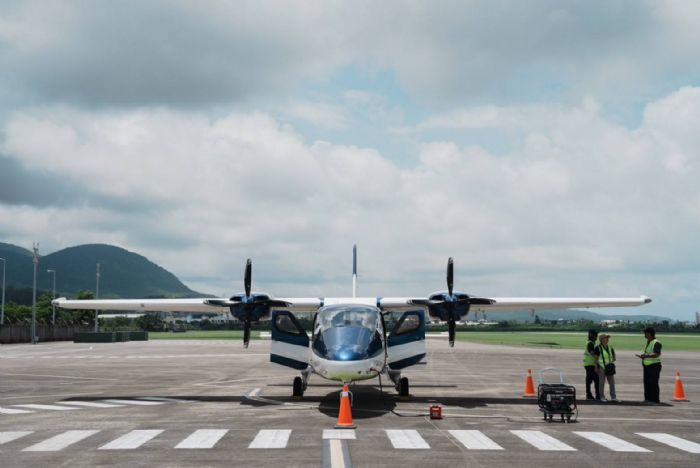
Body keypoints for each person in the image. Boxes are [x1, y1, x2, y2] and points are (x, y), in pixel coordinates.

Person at [635, 327, 662, 403]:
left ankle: (655, 400)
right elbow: (649, 353)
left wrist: (646, 356)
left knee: (653, 383)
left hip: (654, 366)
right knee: (647, 383)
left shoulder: (656, 342)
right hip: (647, 366)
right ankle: (648, 399)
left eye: (645, 333)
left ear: (649, 334)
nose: (644, 334)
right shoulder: (649, 342)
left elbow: (657, 354)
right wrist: (643, 356)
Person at [596, 334, 618, 402]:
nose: (607, 339)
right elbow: (595, 359)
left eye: (607, 338)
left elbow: (614, 356)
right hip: (602, 367)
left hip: (609, 367)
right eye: (606, 338)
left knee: (612, 383)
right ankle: (602, 397)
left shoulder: (610, 347)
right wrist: (596, 367)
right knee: (602, 383)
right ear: (601, 339)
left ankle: (613, 397)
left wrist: (612, 361)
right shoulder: (598, 348)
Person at [583, 329, 601, 400]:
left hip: (591, 364)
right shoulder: (590, 343)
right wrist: (597, 352)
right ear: (592, 335)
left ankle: (592, 395)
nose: (596, 336)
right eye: (595, 335)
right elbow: (592, 354)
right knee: (593, 380)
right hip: (590, 364)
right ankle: (592, 395)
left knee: (592, 380)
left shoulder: (592, 343)